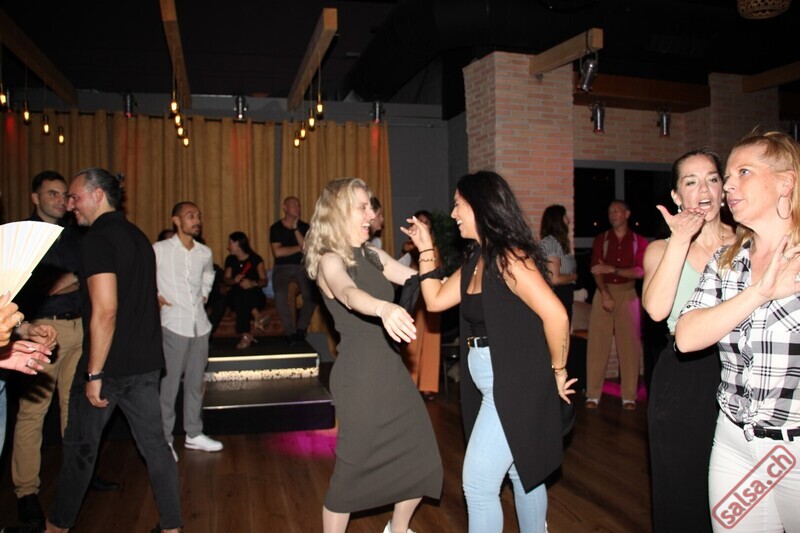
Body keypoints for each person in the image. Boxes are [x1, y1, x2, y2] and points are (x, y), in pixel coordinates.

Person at [403, 171, 574, 533]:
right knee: (524, 472)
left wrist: (557, 372)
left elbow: (557, 315)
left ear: (480, 206)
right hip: (491, 382)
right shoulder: (477, 260)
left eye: (458, 204)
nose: (453, 213)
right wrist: (426, 249)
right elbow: (435, 300)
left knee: (478, 485)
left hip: (514, 382)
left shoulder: (510, 258)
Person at [45, 167, 181, 533]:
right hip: (145, 363)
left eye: (74, 197)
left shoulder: (98, 239)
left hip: (109, 367)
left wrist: (94, 373)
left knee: (80, 449)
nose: (70, 205)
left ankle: (56, 527)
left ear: (97, 195)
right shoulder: (138, 236)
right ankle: (172, 527)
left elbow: (106, 311)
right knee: (156, 448)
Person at [676, 131, 800, 533]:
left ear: (786, 182)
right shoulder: (728, 260)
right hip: (734, 441)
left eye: (743, 172)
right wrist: (760, 292)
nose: (728, 186)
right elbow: (687, 337)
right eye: (727, 176)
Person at [304, 178, 442, 533]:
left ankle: (397, 529)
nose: (371, 214)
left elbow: (425, 284)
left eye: (371, 206)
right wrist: (383, 308)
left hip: (390, 369)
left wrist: (427, 249)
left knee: (422, 454)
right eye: (363, 207)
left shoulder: (372, 255)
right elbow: (348, 293)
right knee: (351, 472)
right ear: (339, 213)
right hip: (360, 376)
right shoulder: (330, 260)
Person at [642, 149, 731, 532]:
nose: (704, 190)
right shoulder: (662, 249)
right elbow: (656, 310)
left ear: (724, 189)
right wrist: (680, 241)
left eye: (712, 179)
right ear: (677, 196)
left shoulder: (747, 242)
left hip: (739, 374)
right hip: (683, 377)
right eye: (691, 182)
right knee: (682, 491)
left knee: (734, 498)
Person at [10, 171, 93, 528]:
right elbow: (28, 285)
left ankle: (77, 478)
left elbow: (85, 276)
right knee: (33, 413)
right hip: (39, 330)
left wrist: (71, 278)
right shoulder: (24, 236)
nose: (61, 200)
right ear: (35, 197)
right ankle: (26, 491)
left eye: (64, 195)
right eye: (52, 194)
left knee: (74, 408)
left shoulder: (75, 234)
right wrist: (72, 277)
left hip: (78, 326)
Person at [154, 202, 222, 462]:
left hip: (200, 326)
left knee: (195, 383)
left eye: (198, 216)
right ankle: (165, 439)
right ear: (176, 220)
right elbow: (141, 274)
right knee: (169, 386)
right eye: (191, 216)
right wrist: (154, 294)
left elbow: (209, 274)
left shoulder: (204, 252)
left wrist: (204, 293)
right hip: (174, 325)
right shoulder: (160, 250)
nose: (197, 220)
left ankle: (194, 433)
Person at [585, 199, 648, 410]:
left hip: (628, 294)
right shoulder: (601, 239)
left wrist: (613, 269)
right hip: (603, 292)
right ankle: (593, 394)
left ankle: (629, 396)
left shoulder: (639, 241)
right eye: (610, 212)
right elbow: (596, 270)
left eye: (616, 211)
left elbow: (640, 271)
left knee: (629, 346)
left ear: (627, 214)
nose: (612, 215)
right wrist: (604, 293)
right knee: (597, 345)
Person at [399, 210, 441, 400]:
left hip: (433, 295)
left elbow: (438, 270)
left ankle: (428, 386)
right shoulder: (408, 246)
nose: (424, 224)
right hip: (416, 296)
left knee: (432, 339)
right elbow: (405, 269)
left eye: (427, 221)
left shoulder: (434, 247)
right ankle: (410, 384)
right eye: (420, 221)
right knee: (413, 338)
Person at [269, 196, 316, 344]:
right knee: (280, 295)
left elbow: (308, 250)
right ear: (285, 207)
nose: (297, 207)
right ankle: (290, 332)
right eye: (293, 205)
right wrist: (299, 248)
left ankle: (301, 329)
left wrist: (296, 229)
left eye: (298, 205)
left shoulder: (305, 227)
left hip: (303, 266)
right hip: (282, 267)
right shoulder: (276, 228)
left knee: (312, 294)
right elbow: (278, 252)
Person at [224, 231, 268, 349]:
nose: (228, 246)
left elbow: (264, 281)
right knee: (241, 289)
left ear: (238, 244)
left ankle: (246, 335)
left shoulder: (256, 259)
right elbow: (226, 279)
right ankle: (257, 316)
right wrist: (234, 280)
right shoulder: (230, 260)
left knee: (247, 288)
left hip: (255, 296)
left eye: (230, 243)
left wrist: (253, 283)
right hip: (235, 297)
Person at [540, 204, 578, 324]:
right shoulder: (550, 242)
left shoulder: (558, 243)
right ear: (558, 220)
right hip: (557, 295)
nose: (568, 221)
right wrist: (573, 277)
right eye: (565, 217)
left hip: (563, 295)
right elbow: (554, 279)